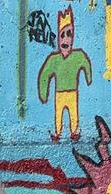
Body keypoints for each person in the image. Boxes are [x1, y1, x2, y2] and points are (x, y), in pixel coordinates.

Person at [38, 6, 92, 143]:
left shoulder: (77, 55)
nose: (65, 39)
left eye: (69, 34)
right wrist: (43, 93)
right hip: (59, 93)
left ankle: (74, 132)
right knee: (59, 114)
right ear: (58, 38)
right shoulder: (54, 59)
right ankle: (57, 133)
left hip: (72, 92)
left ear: (72, 37)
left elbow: (86, 63)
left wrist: (89, 77)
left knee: (73, 113)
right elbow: (44, 75)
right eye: (62, 35)